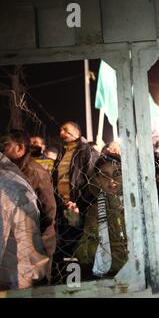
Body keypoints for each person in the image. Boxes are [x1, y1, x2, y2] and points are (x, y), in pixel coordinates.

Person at [0, 130, 57, 283]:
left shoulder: (35, 172)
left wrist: (39, 236)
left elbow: (49, 209)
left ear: (20, 148)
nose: (2, 149)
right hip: (17, 238)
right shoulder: (8, 170)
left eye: (5, 145)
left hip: (38, 238)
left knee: (36, 283)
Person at [52, 121, 99, 282]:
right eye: (60, 129)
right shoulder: (62, 152)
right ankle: (72, 283)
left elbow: (93, 181)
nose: (62, 131)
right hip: (65, 208)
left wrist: (79, 204)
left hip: (80, 208)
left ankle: (82, 283)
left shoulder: (87, 151)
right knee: (67, 245)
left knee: (79, 245)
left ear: (77, 132)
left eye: (66, 129)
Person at [75, 154, 127, 279]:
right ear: (97, 179)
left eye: (117, 173)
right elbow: (83, 251)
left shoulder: (139, 205)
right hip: (110, 275)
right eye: (104, 176)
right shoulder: (95, 210)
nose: (111, 181)